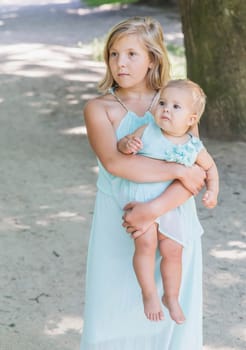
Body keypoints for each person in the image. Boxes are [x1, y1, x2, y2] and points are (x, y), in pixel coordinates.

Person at [80, 16, 206, 350]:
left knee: (173, 306)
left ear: (152, 58)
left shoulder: (176, 103)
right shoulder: (99, 108)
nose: (120, 63)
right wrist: (177, 171)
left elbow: (195, 171)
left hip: (173, 218)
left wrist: (152, 209)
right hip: (118, 221)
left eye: (132, 54)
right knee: (111, 310)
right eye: (113, 54)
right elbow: (116, 163)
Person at [115, 78, 219, 325]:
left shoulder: (193, 146)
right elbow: (121, 149)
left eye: (176, 107)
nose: (166, 110)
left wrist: (213, 191)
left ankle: (171, 297)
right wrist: (127, 144)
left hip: (172, 206)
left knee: (173, 251)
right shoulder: (147, 130)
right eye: (162, 103)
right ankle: (149, 293)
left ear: (191, 120)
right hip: (143, 202)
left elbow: (210, 168)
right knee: (146, 245)